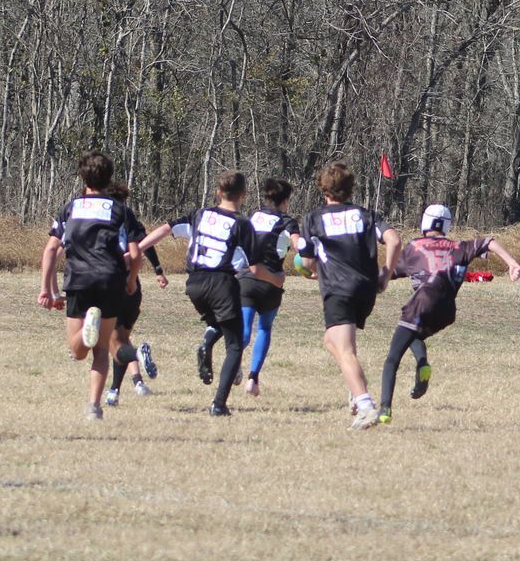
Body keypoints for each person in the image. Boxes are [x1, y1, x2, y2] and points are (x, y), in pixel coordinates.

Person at [135, 171, 282, 417]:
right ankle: (219, 404)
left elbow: (165, 229)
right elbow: (255, 268)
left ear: (218, 192)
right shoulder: (241, 223)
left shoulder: (200, 214)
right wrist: (276, 279)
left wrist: (138, 248)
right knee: (235, 345)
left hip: (194, 284)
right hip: (221, 282)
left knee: (218, 323)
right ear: (243, 195)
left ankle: (207, 342)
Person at [375, 204, 520, 423]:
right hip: (446, 311)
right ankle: (422, 365)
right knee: (414, 335)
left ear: (425, 222)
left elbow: (389, 272)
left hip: (422, 304)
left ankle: (384, 410)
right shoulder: (459, 247)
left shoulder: (415, 247)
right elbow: (489, 241)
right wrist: (513, 263)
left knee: (392, 358)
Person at [298, 162, 403, 429]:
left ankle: (366, 406)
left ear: (324, 190)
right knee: (332, 341)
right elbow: (394, 240)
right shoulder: (365, 215)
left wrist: (312, 271)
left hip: (338, 288)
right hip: (366, 289)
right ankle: (356, 393)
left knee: (343, 348)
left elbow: (307, 261)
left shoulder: (313, 218)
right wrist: (386, 274)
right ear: (349, 188)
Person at [38, 153, 140, 421]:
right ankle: (94, 407)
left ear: (82, 177)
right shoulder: (120, 210)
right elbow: (136, 253)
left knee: (78, 351)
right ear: (109, 178)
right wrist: (130, 281)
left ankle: (85, 331)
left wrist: (47, 290)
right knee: (102, 349)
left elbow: (50, 250)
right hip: (110, 279)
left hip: (78, 280)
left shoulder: (71, 208)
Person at [104, 186, 166, 406]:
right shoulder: (129, 218)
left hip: (111, 283)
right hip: (133, 286)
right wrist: (158, 270)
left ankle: (137, 358)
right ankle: (123, 388)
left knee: (114, 341)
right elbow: (145, 245)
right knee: (121, 338)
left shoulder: (104, 219)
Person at [233, 178, 296, 397]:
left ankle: (233, 363)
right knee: (264, 328)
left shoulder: (253, 216)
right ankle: (253, 379)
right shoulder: (287, 221)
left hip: (248, 278)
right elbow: (299, 244)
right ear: (285, 201)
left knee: (244, 329)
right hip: (272, 282)